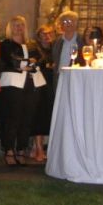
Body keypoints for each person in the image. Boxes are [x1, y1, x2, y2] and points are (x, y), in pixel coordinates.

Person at [0, 16, 46, 167]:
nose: (19, 28)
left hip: (32, 84)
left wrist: (28, 65)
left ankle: (21, 149)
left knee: (27, 118)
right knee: (12, 118)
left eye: (21, 25)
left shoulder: (32, 44)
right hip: (12, 85)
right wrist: (28, 63)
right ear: (10, 27)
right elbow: (11, 60)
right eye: (16, 25)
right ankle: (9, 150)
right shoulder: (6, 44)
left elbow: (42, 59)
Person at [30, 24, 57, 162]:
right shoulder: (34, 49)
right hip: (39, 86)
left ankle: (38, 148)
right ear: (38, 36)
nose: (47, 36)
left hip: (52, 86)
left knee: (49, 117)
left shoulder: (56, 48)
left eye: (50, 33)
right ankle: (39, 148)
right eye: (44, 34)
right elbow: (34, 66)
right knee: (39, 118)